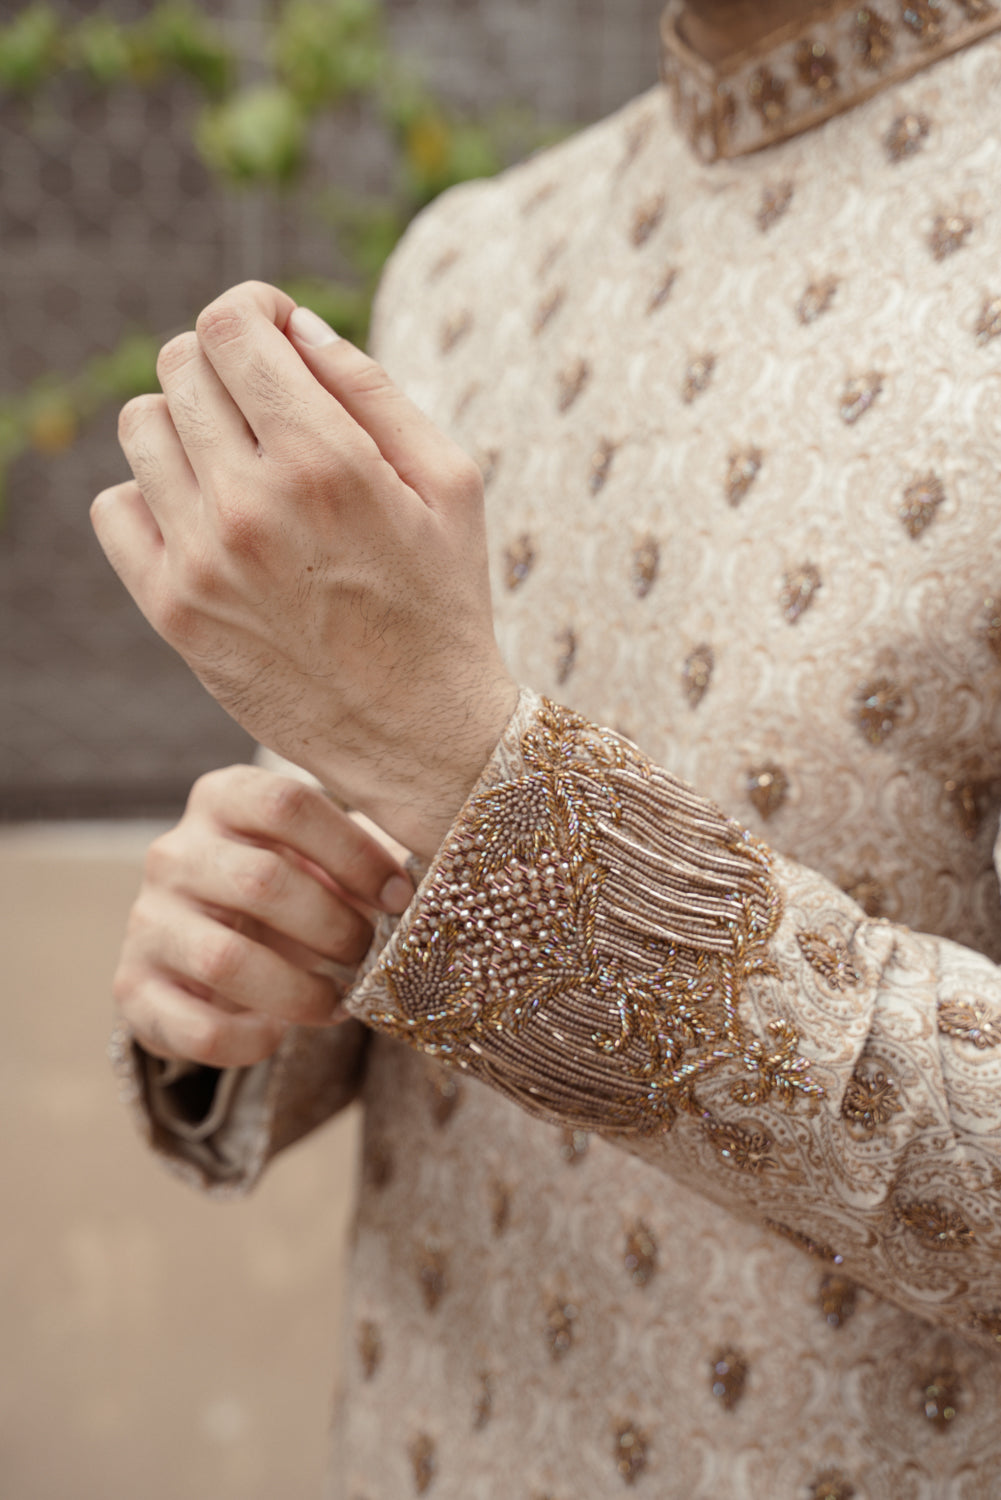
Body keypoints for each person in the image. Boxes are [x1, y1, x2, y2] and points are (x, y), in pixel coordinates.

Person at [92, 1, 1001, 1495]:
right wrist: (274, 951)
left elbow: (466, 772)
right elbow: (418, 845)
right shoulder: (472, 262)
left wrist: (475, 783)